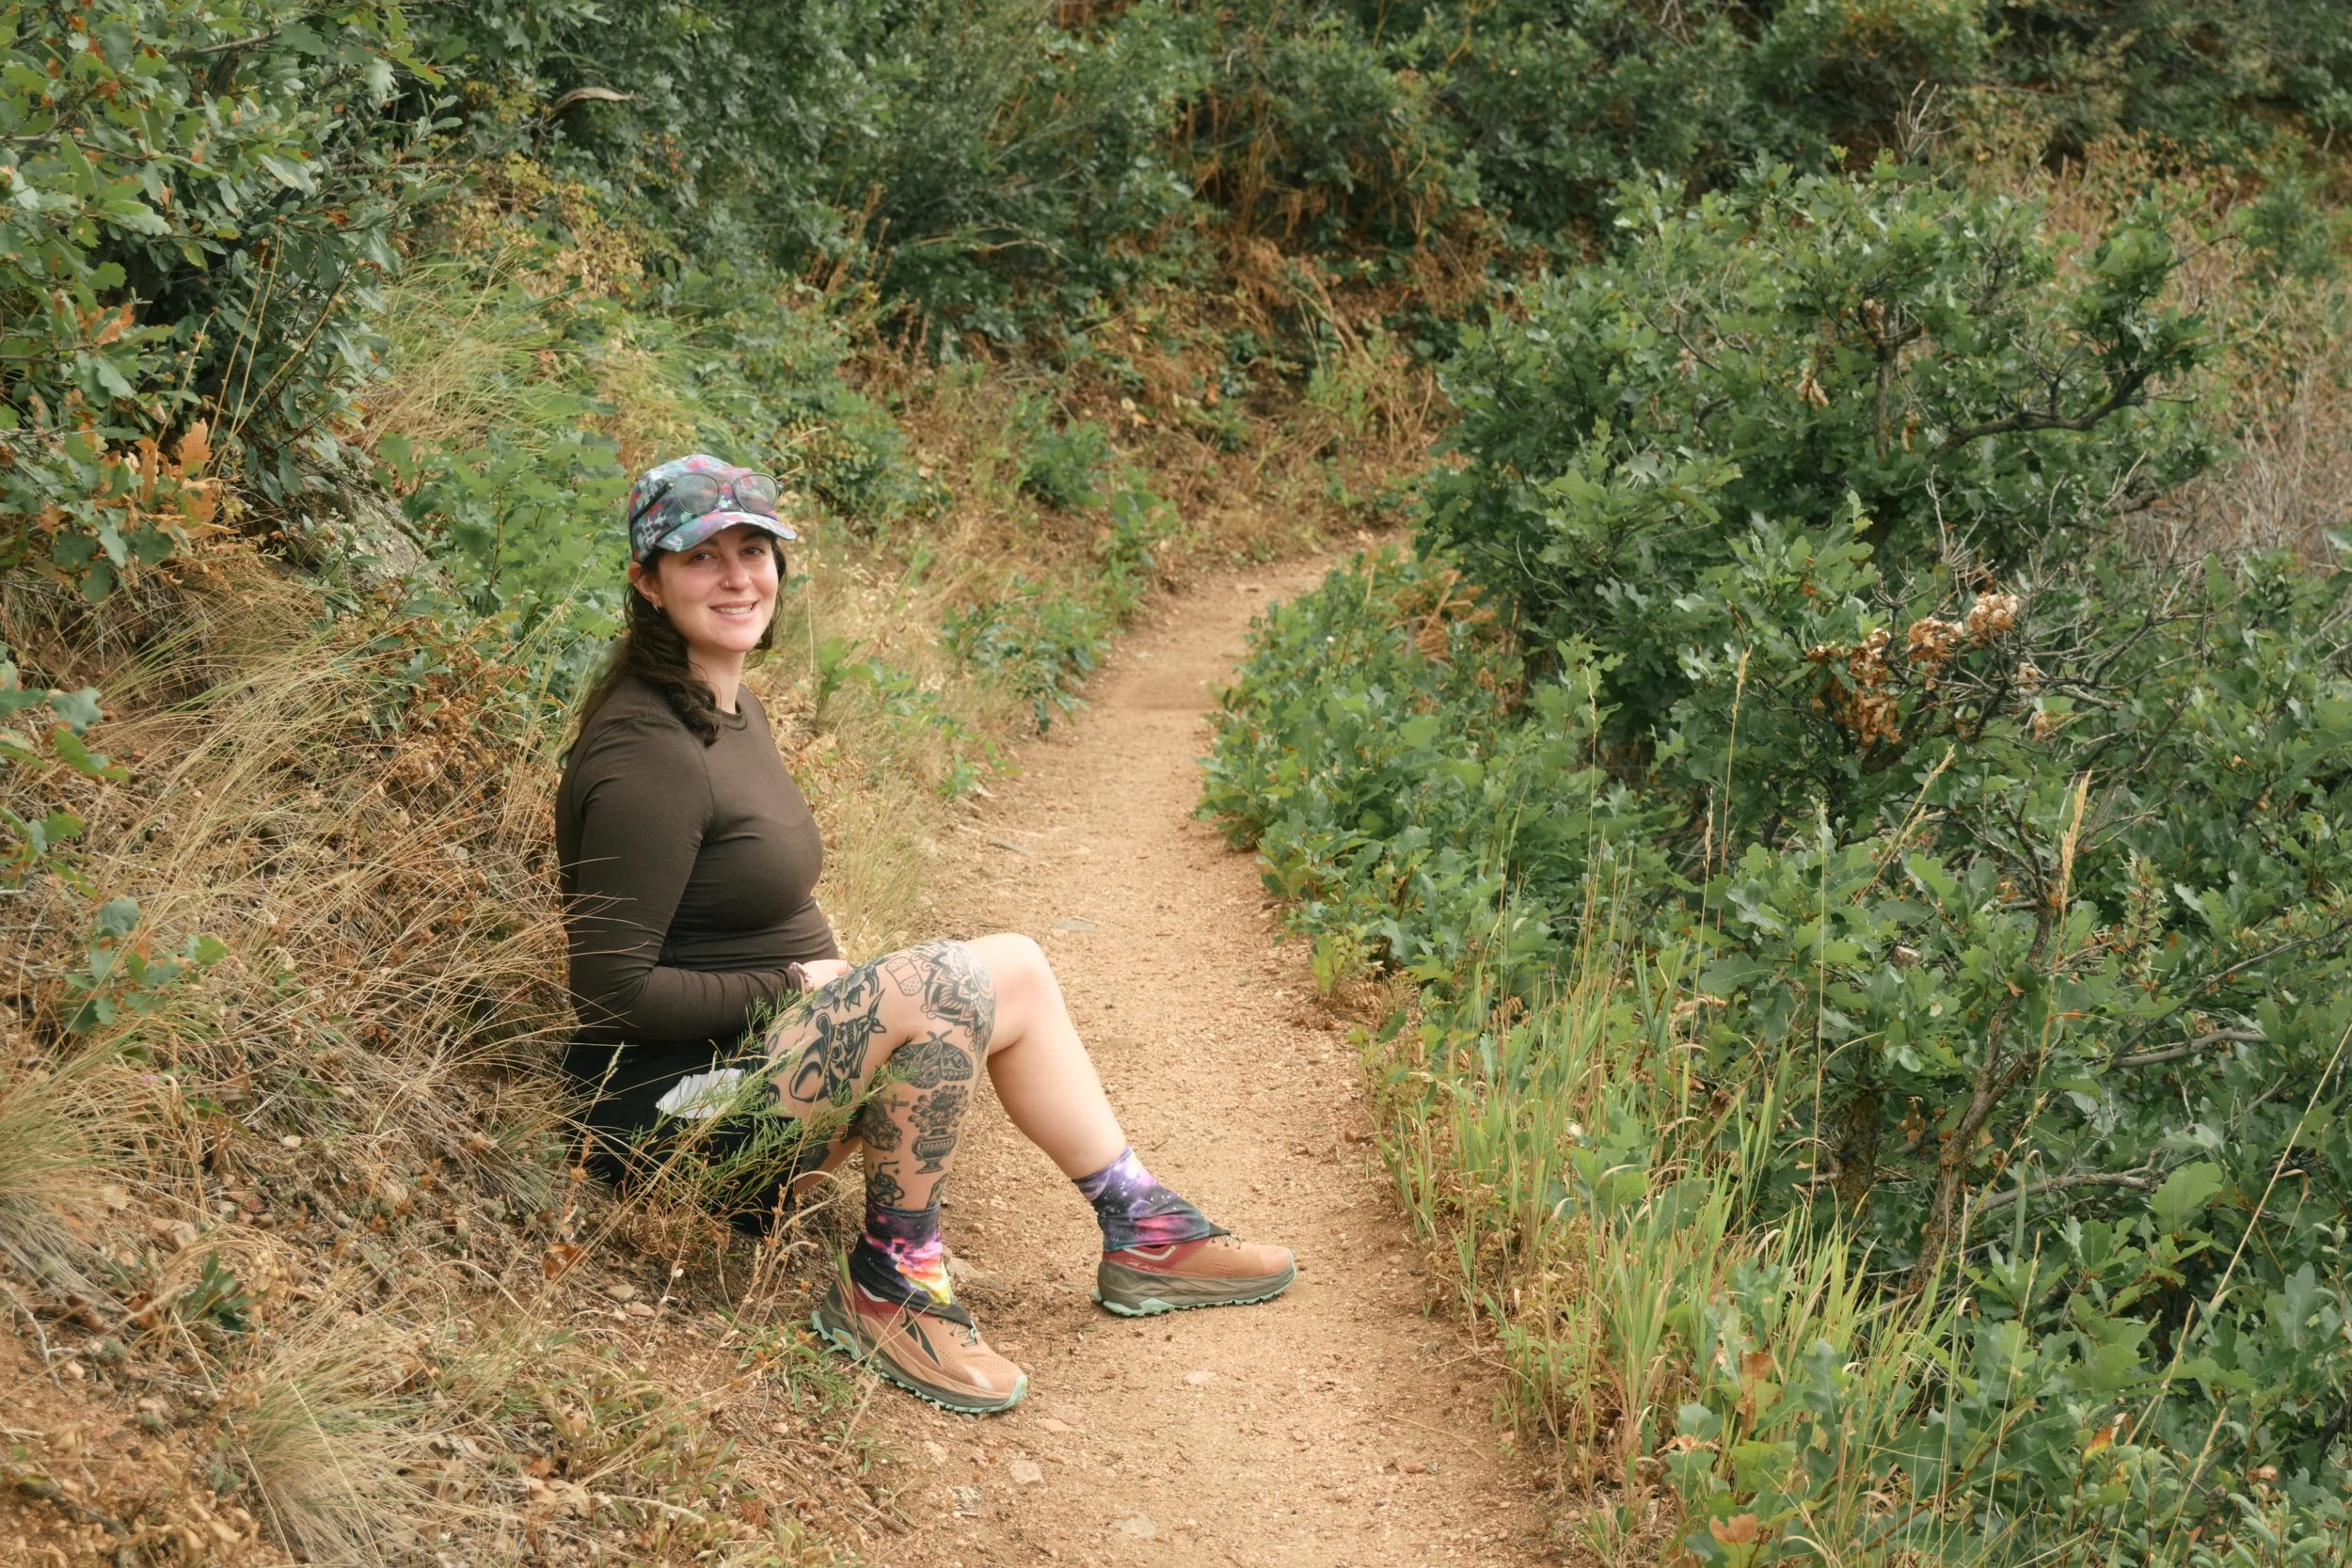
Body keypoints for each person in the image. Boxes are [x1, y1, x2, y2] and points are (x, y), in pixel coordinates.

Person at [554, 454, 1295, 1414]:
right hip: (678, 1116)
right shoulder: (644, 752)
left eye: (754, 549)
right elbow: (607, 991)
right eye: (701, 556)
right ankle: (891, 1284)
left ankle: (1143, 1228)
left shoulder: (724, 706)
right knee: (939, 979)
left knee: (1015, 967)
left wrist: (821, 992)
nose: (737, 577)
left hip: (760, 1062)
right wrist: (795, 984)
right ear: (648, 581)